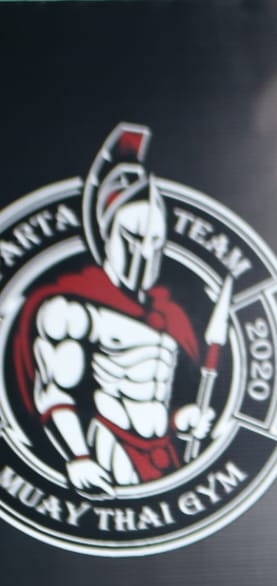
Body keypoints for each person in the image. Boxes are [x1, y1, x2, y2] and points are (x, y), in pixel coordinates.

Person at [14, 124, 215, 494]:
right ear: (107, 233)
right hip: (110, 446)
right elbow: (55, 391)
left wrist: (181, 419)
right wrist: (78, 456)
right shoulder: (73, 310)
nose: (144, 252)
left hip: (163, 453)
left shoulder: (168, 317)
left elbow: (153, 397)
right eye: (133, 237)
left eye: (155, 241)